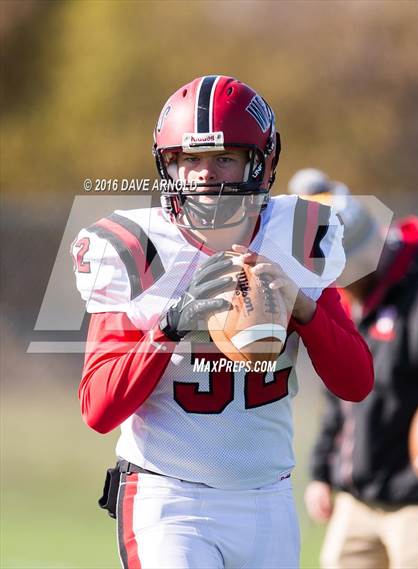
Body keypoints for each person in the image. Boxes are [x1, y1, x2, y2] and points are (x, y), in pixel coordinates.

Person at [72, 77, 373, 569]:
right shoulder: (136, 248)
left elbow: (357, 382)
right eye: (189, 159)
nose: (204, 176)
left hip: (268, 499)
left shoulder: (299, 235)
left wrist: (304, 309)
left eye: (223, 158)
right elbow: (98, 409)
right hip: (168, 498)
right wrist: (169, 328)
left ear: (264, 163)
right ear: (167, 164)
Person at [291, 170, 418, 569]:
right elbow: (338, 399)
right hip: (357, 500)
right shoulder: (351, 302)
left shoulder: (413, 296)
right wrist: (321, 473)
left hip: (414, 505)